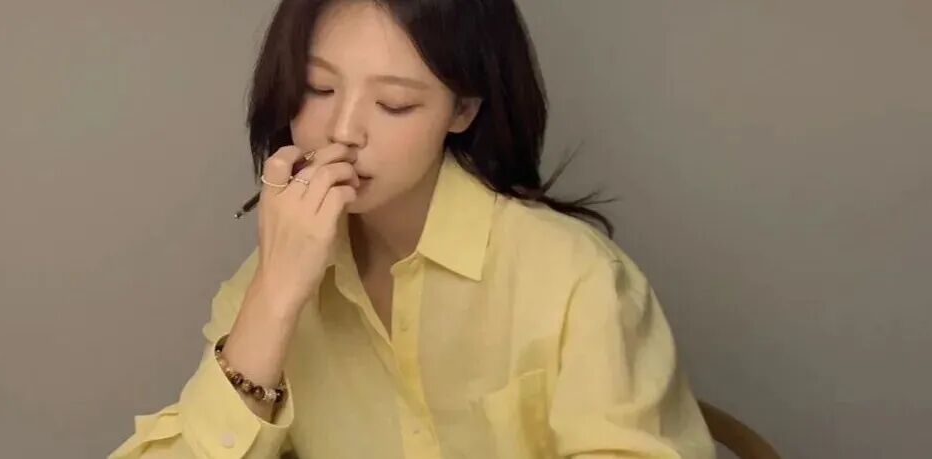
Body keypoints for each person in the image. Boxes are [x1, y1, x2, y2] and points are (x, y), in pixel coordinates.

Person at [110, 0, 715, 457]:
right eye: (319, 88)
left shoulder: (575, 280)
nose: (343, 131)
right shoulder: (269, 277)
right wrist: (274, 296)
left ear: (463, 109)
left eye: (394, 104)